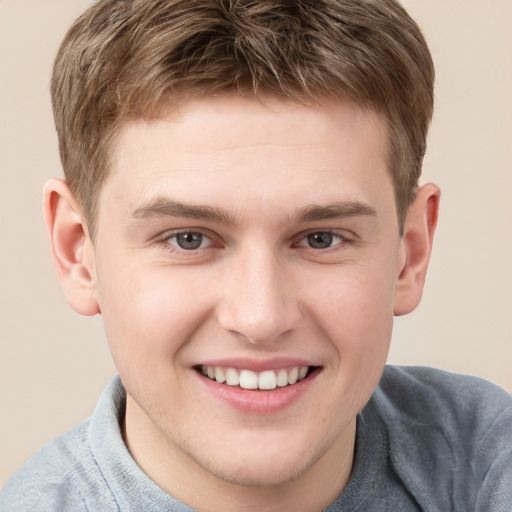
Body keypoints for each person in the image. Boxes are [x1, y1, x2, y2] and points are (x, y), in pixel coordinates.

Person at [1, 0, 511, 510]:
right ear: (77, 252)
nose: (261, 318)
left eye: (321, 239)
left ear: (410, 252)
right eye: (188, 239)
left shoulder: (486, 458)